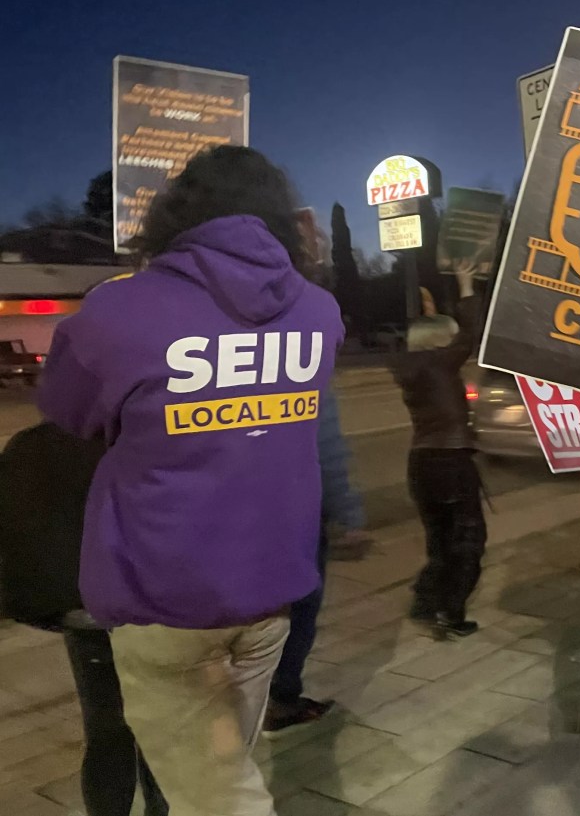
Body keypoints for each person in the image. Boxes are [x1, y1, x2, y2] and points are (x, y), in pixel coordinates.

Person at [37, 145, 344, 816]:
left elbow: (65, 408)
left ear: (176, 214)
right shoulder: (320, 312)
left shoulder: (121, 312)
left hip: (163, 599)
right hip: (270, 593)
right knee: (226, 762)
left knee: (217, 795)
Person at [0, 423, 167, 816]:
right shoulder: (150, 436)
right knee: (160, 732)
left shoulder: (34, 443)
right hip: (148, 609)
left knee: (107, 731)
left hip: (82, 611)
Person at [263, 387, 370, 734]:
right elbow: (327, 449)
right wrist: (348, 514)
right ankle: (280, 700)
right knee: (298, 611)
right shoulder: (304, 358)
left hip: (230, 517)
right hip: (296, 515)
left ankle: (244, 703)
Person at [392, 262, 487, 638]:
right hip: (451, 462)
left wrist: (431, 317)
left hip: (422, 463)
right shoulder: (439, 365)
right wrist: (465, 286)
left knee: (440, 540)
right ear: (438, 342)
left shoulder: (414, 367)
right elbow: (472, 333)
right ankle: (451, 612)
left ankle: (426, 600)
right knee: (468, 541)